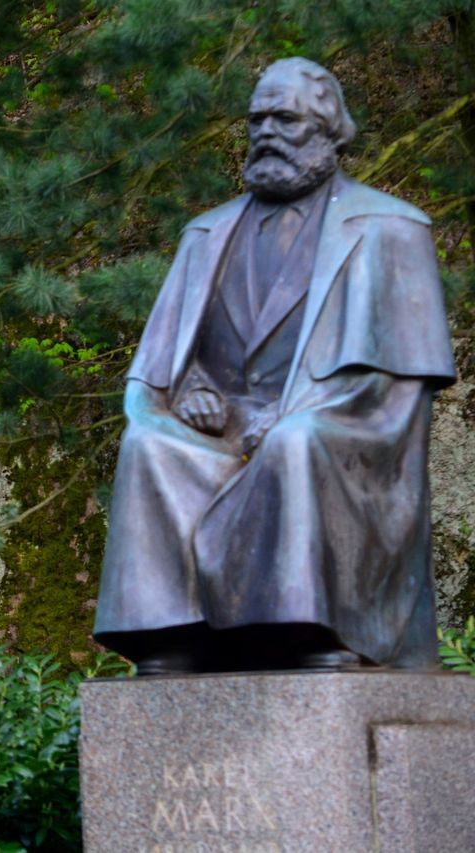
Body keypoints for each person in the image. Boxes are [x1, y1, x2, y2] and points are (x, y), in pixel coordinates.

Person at [93, 58, 455, 675]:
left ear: (329, 127)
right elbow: (159, 370)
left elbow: (397, 386)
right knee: (148, 444)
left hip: (338, 431)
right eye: (257, 118)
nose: (266, 131)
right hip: (224, 437)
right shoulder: (205, 235)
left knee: (297, 440)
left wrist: (303, 411)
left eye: (284, 118)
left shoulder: (391, 227)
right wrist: (195, 393)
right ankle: (176, 635)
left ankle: (314, 627)